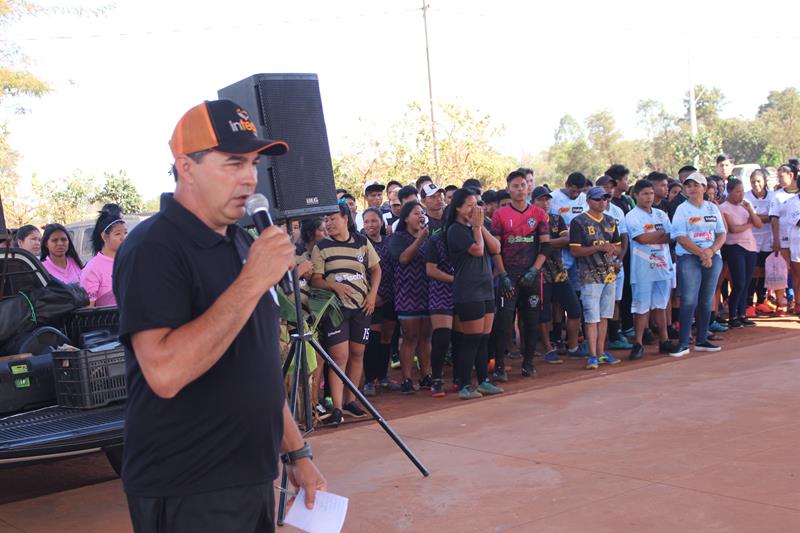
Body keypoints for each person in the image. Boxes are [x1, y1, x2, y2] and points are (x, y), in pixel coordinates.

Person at [114, 99, 325, 531]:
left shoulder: (242, 243)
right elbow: (165, 372)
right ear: (185, 167)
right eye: (232, 163)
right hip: (187, 487)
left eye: (252, 163)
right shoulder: (154, 248)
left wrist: (297, 453)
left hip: (249, 477)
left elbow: (257, 364)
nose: (249, 178)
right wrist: (251, 282)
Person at [311, 201, 380, 424]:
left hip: (362, 307)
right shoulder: (321, 247)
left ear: (346, 218)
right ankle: (338, 407)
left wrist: (371, 296)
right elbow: (315, 280)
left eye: (333, 218)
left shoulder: (361, 241)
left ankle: (351, 401)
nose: (328, 223)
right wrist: (334, 286)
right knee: (340, 357)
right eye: (326, 220)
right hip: (336, 309)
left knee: (358, 353)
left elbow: (376, 269)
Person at [491, 170, 551, 378]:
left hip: (532, 276)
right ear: (508, 189)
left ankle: (528, 363)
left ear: (528, 188)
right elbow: (496, 248)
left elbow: (545, 247)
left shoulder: (539, 215)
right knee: (504, 320)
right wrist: (503, 275)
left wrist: (535, 270)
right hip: (508, 276)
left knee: (532, 320)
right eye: (515, 186)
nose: (519, 189)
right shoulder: (499, 215)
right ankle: (499, 366)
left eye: (522, 185)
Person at [446, 188, 503, 399]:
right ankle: (463, 384)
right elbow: (478, 249)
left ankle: (483, 381)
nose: (475, 209)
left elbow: (495, 247)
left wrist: (480, 226)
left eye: (477, 204)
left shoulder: (479, 226)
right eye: (470, 205)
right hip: (468, 290)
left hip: (486, 287)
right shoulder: (455, 230)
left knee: (484, 338)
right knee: (471, 339)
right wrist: (477, 228)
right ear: (459, 208)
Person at [669, 172, 727, 356]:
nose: (692, 189)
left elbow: (721, 233)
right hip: (689, 257)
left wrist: (710, 251)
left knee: (706, 299)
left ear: (704, 188)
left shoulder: (712, 208)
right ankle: (684, 343)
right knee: (688, 299)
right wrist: (702, 253)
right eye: (689, 185)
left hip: (712, 256)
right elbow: (680, 236)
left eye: (696, 185)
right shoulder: (682, 209)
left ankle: (702, 339)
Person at [569, 187, 624, 369]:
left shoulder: (610, 221)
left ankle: (600, 352)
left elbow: (618, 247)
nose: (603, 202)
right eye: (598, 199)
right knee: (592, 316)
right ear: (589, 201)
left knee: (604, 315)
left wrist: (612, 250)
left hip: (608, 274)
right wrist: (599, 248)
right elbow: (575, 250)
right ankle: (592, 354)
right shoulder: (579, 222)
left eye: (605, 199)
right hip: (589, 275)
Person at [532, 186, 584, 362]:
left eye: (547, 199)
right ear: (533, 202)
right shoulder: (529, 221)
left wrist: (545, 242)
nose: (545, 203)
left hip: (559, 272)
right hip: (539, 273)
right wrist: (554, 243)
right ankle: (548, 348)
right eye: (540, 199)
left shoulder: (556, 219)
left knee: (575, 310)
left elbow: (567, 239)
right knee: (543, 314)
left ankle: (573, 346)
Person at [625, 180, 676, 360]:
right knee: (641, 306)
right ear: (636, 196)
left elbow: (671, 237)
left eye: (651, 193)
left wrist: (659, 237)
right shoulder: (632, 216)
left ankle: (664, 340)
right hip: (643, 269)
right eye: (645, 194)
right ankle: (638, 343)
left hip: (662, 266)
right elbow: (642, 238)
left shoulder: (661, 214)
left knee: (661, 305)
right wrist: (660, 236)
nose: (649, 197)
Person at [388, 201, 432, 393]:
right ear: (406, 218)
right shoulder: (398, 238)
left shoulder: (428, 237)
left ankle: (426, 376)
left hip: (427, 293)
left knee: (426, 336)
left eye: (422, 213)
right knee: (410, 337)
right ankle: (406, 379)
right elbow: (404, 258)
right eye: (416, 213)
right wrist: (420, 239)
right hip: (407, 295)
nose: (420, 216)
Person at [360, 207, 400, 396]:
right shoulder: (360, 244)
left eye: (374, 221)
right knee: (372, 339)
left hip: (391, 296)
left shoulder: (389, 242)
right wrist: (371, 294)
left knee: (387, 337)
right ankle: (369, 380)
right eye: (366, 221)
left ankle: (383, 376)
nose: (370, 225)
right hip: (372, 299)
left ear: (381, 222)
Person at [596, 175, 632, 351]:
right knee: (597, 302)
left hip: (617, 264)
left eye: (611, 187)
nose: (608, 190)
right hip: (595, 266)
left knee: (615, 301)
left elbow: (624, 236)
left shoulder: (617, 210)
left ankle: (614, 335)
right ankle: (595, 341)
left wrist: (619, 259)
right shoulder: (587, 214)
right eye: (604, 187)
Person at [719, 178, 761, 327]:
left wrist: (750, 210)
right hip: (735, 247)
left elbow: (758, 224)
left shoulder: (745, 205)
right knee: (739, 282)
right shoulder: (724, 207)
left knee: (747, 282)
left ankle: (742, 314)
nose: (740, 194)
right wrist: (749, 224)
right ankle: (732, 315)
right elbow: (733, 229)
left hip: (750, 247)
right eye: (737, 191)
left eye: (742, 191)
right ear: (729, 192)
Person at [424, 215, 455, 397]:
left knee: (461, 338)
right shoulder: (435, 240)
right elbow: (430, 270)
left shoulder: (469, 237)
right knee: (442, 337)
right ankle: (436, 378)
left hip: (464, 292)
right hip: (441, 291)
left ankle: (461, 378)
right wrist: (455, 280)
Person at [80, 204, 127, 307]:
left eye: (125, 233)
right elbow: (87, 310)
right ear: (104, 236)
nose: (123, 238)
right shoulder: (93, 268)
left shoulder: (128, 261)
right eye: (118, 234)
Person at [549, 172, 588, 292]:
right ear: (566, 185)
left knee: (577, 290)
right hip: (560, 252)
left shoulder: (584, 199)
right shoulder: (552, 198)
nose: (576, 195)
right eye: (573, 191)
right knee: (560, 291)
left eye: (579, 191)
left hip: (579, 252)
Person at [769, 164, 799, 315]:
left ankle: (795, 302)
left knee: (796, 272)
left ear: (791, 175)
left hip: (797, 241)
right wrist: (776, 240)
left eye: (781, 176)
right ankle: (781, 302)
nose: (779, 179)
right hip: (782, 239)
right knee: (782, 270)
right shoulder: (777, 195)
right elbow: (774, 218)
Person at [744, 169, 775, 314]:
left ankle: (762, 302)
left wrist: (757, 217)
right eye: (753, 181)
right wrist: (764, 217)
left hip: (768, 239)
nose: (756, 184)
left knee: (765, 270)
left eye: (758, 181)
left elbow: (774, 217)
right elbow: (750, 218)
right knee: (753, 271)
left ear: (764, 181)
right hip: (752, 239)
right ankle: (749, 303)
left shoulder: (773, 197)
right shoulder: (746, 198)